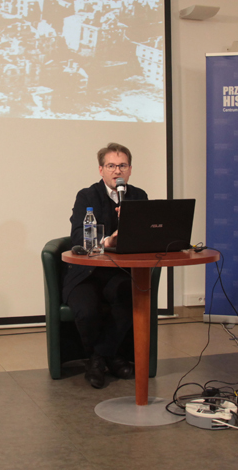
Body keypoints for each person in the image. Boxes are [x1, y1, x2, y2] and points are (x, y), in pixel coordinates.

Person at [64, 142, 148, 388]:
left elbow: (149, 238)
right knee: (87, 309)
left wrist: (132, 225)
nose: (117, 171)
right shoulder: (87, 196)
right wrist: (108, 240)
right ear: (101, 170)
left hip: (121, 272)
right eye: (111, 166)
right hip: (88, 273)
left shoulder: (139, 196)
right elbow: (77, 237)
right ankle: (111, 358)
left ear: (130, 170)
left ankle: (98, 358)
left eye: (122, 165)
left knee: (129, 298)